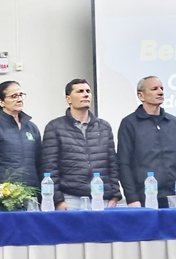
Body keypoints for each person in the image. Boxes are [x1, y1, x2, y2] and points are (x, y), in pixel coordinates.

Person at [41, 78, 121, 210]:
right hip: (71, 198)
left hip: (101, 197)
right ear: (68, 99)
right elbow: (50, 167)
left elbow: (112, 163)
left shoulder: (104, 127)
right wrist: (58, 200)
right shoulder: (55, 127)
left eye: (88, 91)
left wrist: (115, 195)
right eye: (80, 91)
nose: (86, 94)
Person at [117, 76, 176, 208]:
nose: (160, 92)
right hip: (144, 197)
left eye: (162, 88)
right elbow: (124, 163)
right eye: (154, 89)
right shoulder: (130, 123)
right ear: (141, 95)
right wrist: (132, 198)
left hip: (175, 196)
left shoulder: (173, 122)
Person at [0, 80, 42, 188]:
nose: (19, 99)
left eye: (21, 95)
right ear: (1, 102)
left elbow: (40, 163)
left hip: (31, 193)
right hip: (4, 195)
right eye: (14, 96)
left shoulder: (32, 128)